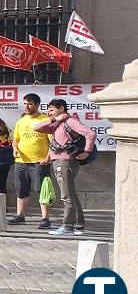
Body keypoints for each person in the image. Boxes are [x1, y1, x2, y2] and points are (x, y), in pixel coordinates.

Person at [37, 98, 96, 235]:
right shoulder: (56, 123)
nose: (49, 113)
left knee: (66, 196)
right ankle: (79, 224)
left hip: (65, 162)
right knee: (71, 194)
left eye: (52, 110)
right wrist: (54, 120)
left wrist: (86, 152)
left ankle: (67, 226)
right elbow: (37, 127)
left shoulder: (70, 121)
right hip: (59, 161)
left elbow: (90, 134)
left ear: (61, 108)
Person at [8, 94, 54, 229]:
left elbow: (53, 142)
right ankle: (20, 216)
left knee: (42, 190)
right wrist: (14, 149)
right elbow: (15, 139)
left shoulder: (45, 120)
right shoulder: (21, 121)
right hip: (21, 162)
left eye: (30, 104)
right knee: (21, 189)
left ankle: (45, 218)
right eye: (25, 104)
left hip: (39, 163)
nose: (26, 107)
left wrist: (47, 158)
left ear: (37, 105)